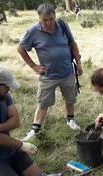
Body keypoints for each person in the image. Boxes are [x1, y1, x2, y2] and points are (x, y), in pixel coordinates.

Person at [17, 3, 84, 142]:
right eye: (44, 20)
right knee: (43, 103)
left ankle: (70, 120)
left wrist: (79, 63)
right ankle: (35, 130)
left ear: (55, 16)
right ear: (39, 18)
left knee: (70, 98)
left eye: (51, 19)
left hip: (67, 72)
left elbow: (73, 44)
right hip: (48, 75)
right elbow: (21, 48)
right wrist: (34, 66)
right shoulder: (33, 31)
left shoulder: (63, 26)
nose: (48, 23)